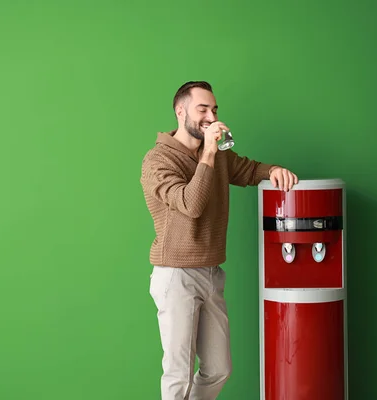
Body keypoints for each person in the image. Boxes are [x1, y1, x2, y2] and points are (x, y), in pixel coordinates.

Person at [140, 81, 298, 400]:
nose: (211, 117)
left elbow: (247, 169)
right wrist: (210, 153)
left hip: (211, 273)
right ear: (180, 110)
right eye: (203, 109)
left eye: (214, 110)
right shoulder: (157, 161)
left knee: (219, 369)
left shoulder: (217, 155)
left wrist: (274, 171)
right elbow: (191, 205)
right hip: (176, 275)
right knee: (178, 373)